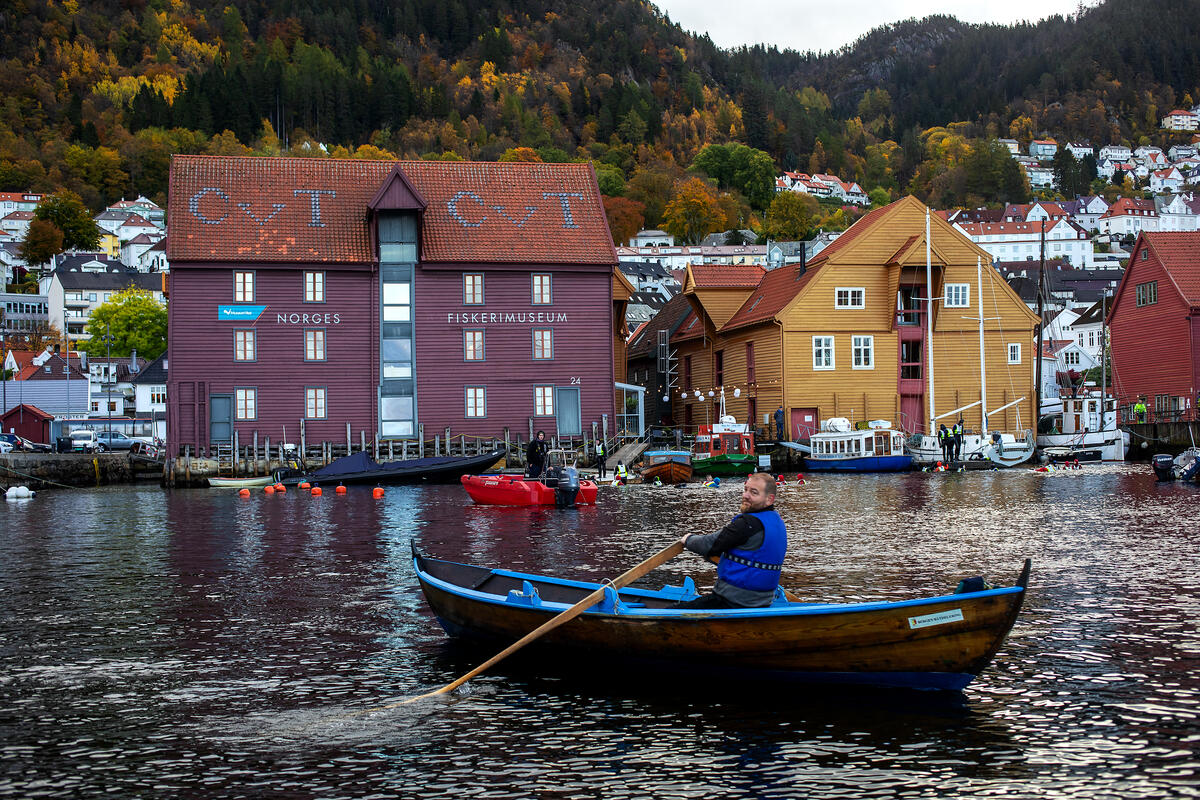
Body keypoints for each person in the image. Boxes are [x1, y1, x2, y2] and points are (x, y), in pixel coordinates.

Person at [674, 473, 786, 609]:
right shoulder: (777, 522)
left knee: (669, 614)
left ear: (769, 499)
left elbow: (710, 545)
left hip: (732, 601)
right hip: (763, 601)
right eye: (746, 489)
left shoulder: (747, 524)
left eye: (754, 492)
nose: (745, 495)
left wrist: (688, 539)